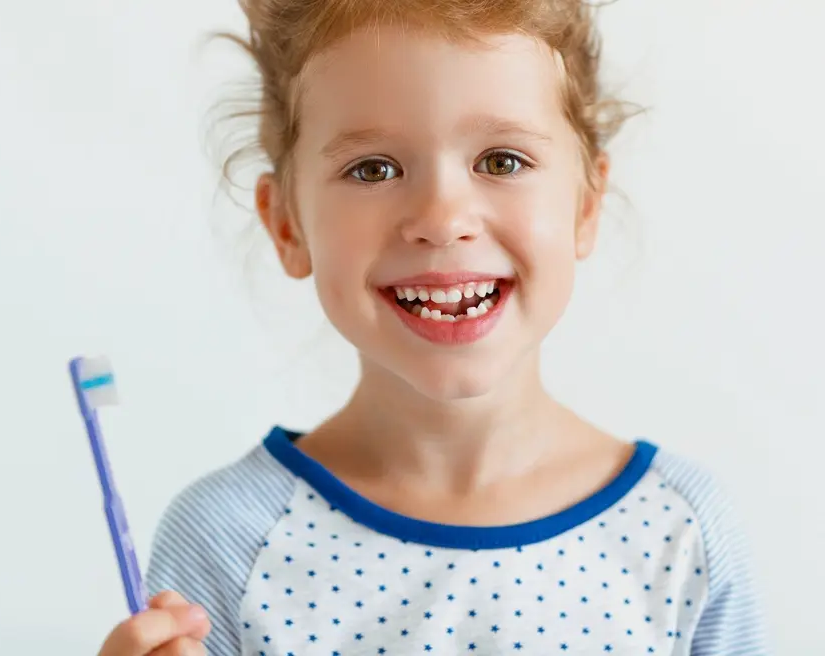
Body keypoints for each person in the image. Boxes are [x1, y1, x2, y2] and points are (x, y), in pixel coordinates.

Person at [98, 0, 770, 653]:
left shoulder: (682, 534)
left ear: (585, 206)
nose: (443, 218)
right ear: (287, 225)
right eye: (373, 168)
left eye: (502, 161)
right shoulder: (225, 540)